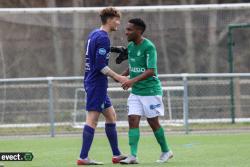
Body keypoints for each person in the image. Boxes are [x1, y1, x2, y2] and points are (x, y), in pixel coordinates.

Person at [77, 7, 128, 165]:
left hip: (93, 82)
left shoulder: (94, 34)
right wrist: (118, 77)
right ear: (110, 19)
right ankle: (83, 157)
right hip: (96, 83)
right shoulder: (103, 38)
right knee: (92, 119)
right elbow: (100, 65)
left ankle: (116, 154)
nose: (118, 22)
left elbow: (95, 53)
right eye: (117, 19)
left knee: (111, 115)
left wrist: (114, 49)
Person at [119, 18, 173, 164]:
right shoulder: (130, 46)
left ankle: (166, 151)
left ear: (139, 31)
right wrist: (121, 76)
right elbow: (133, 65)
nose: (126, 32)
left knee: (153, 122)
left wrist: (131, 81)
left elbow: (151, 71)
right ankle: (133, 156)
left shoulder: (149, 47)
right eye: (126, 29)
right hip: (136, 92)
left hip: (150, 91)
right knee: (132, 119)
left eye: (129, 29)